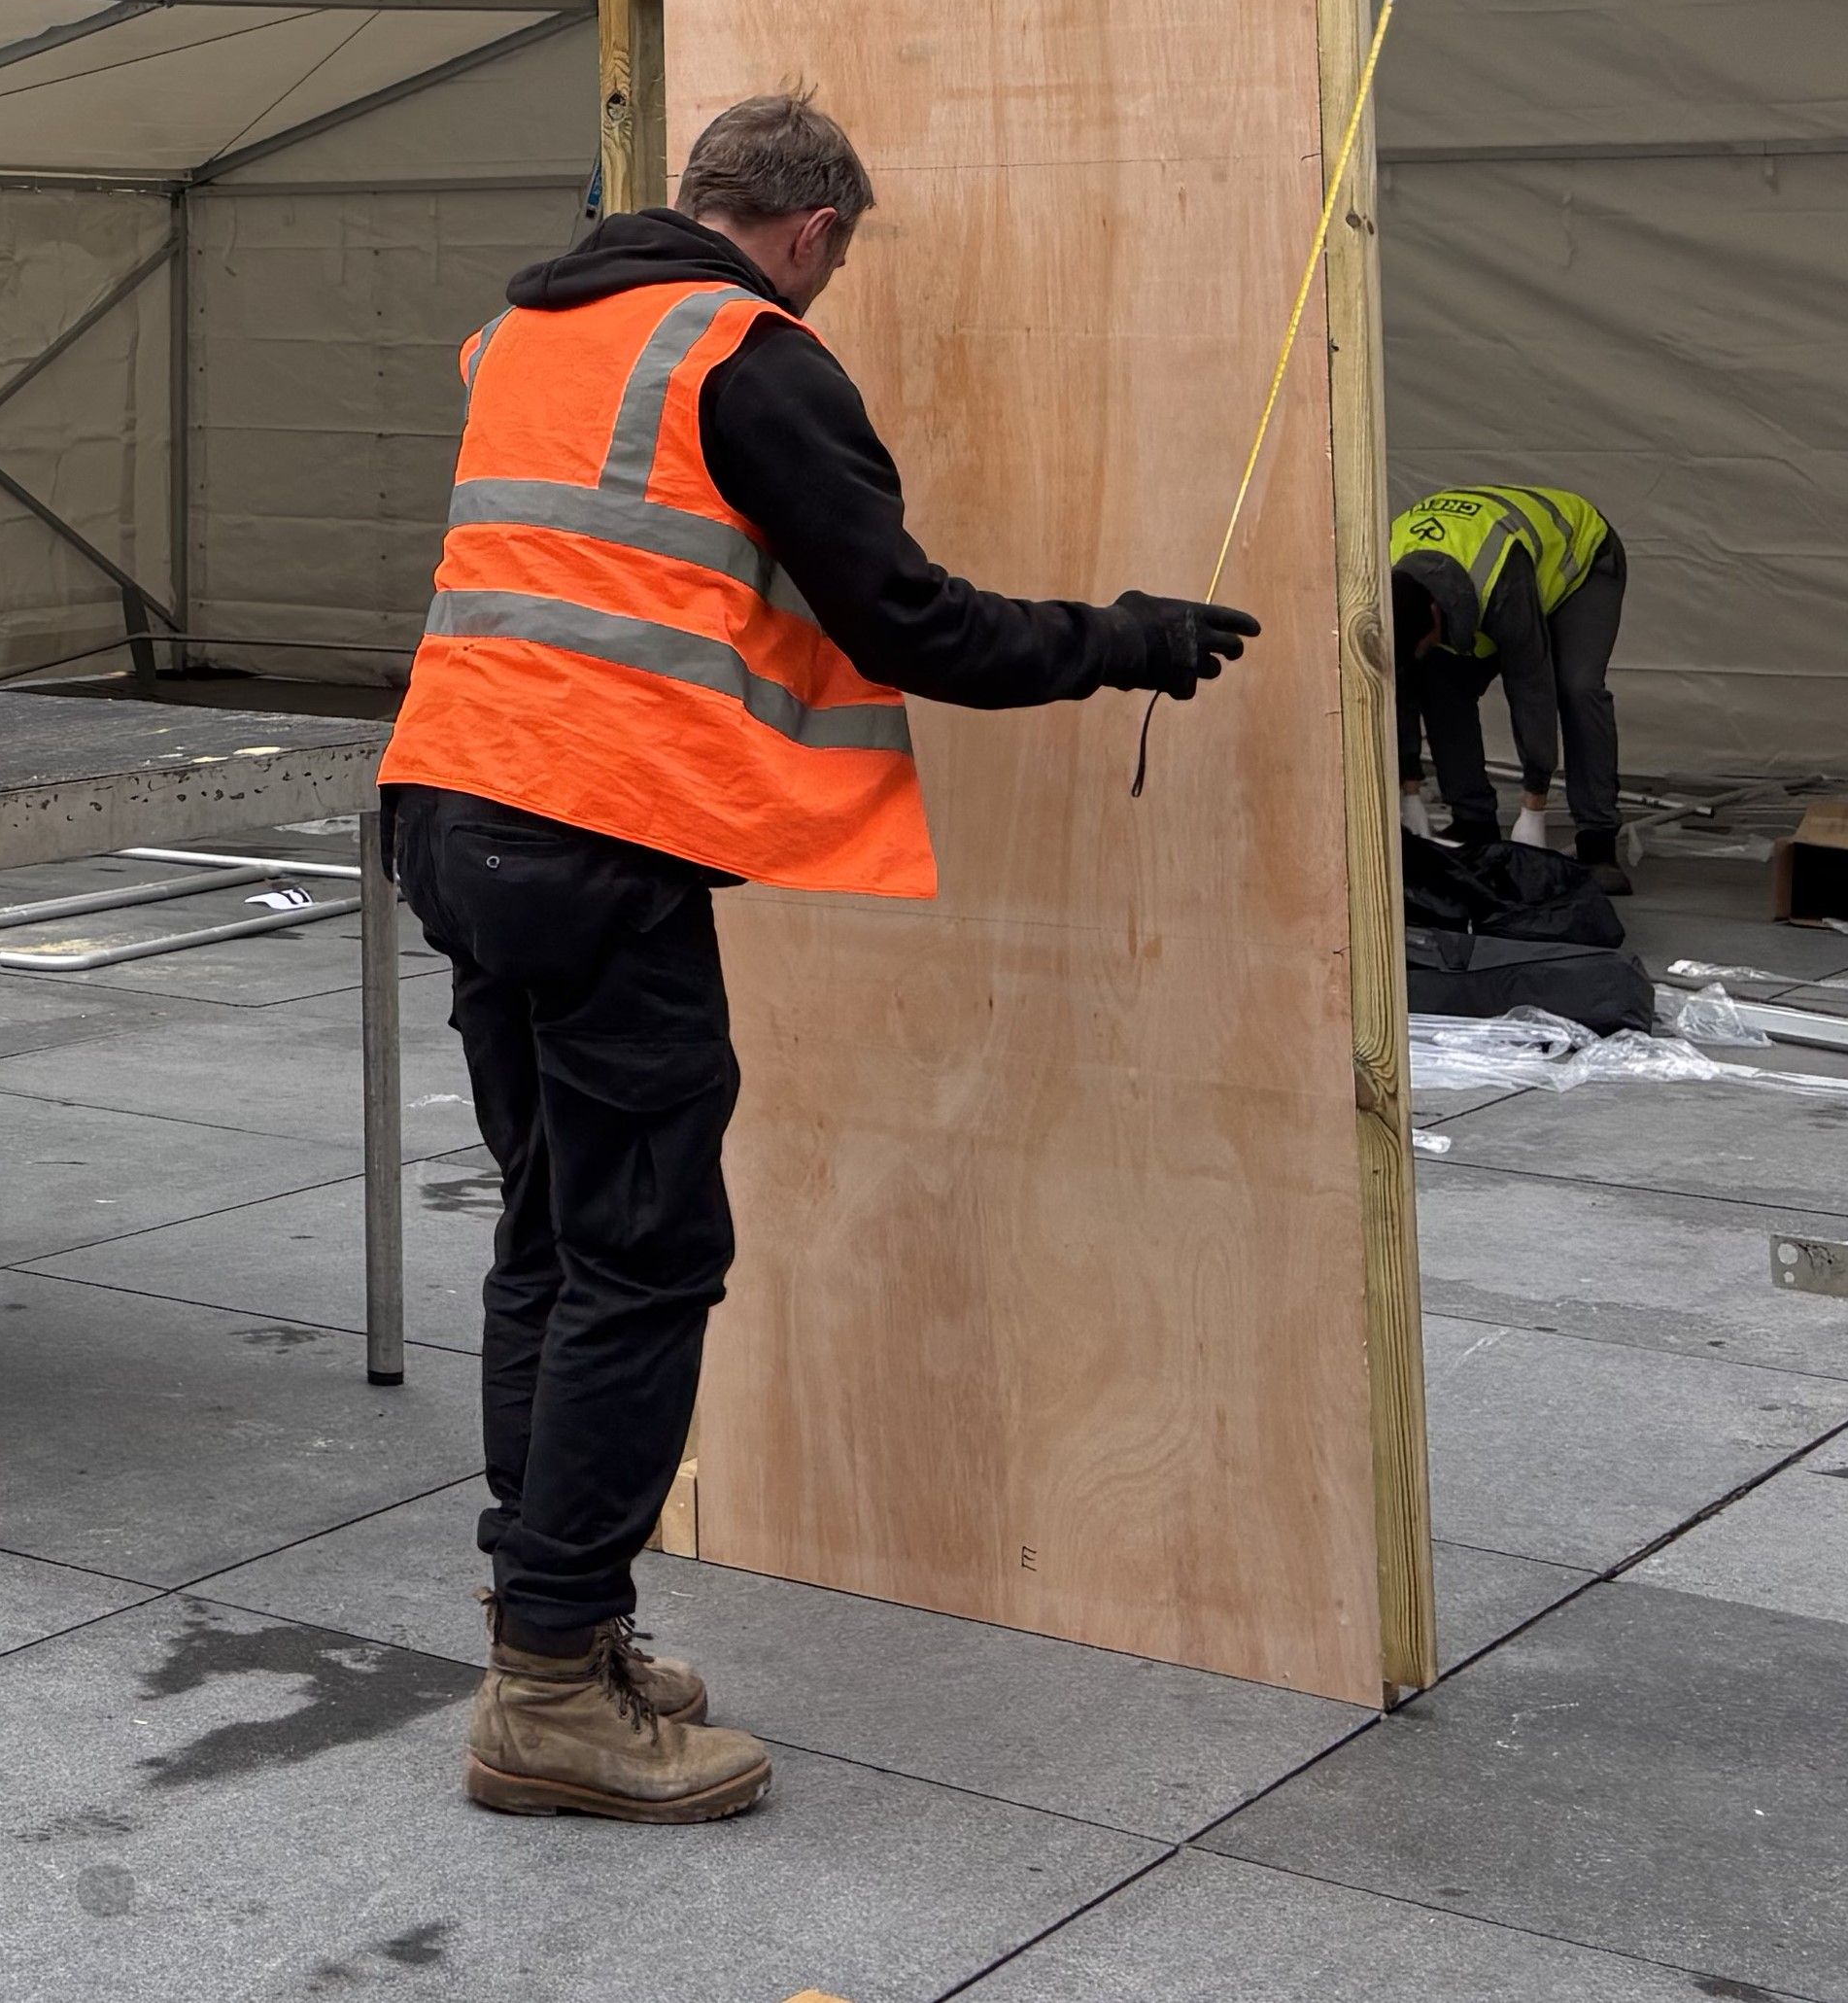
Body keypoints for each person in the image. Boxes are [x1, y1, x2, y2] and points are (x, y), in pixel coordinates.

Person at [385, 94, 1259, 1824]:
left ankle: (549, 1629)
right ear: (808, 231)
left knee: (553, 1240)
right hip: (592, 837)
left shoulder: (529, 329)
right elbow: (905, 618)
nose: (830, 285)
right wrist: (1126, 640)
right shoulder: (746, 352)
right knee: (641, 1261)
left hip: (451, 812)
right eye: (836, 259)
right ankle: (553, 1687)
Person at [1393, 482, 1627, 878]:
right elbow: (1400, 686)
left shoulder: (1499, 574)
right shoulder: (1385, 576)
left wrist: (1532, 810)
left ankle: (1597, 839)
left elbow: (1531, 682)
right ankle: (1473, 824)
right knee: (1439, 683)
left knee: (1576, 687)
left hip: (1579, 562)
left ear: (1435, 613)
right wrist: (1409, 788)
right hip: (1469, 575)